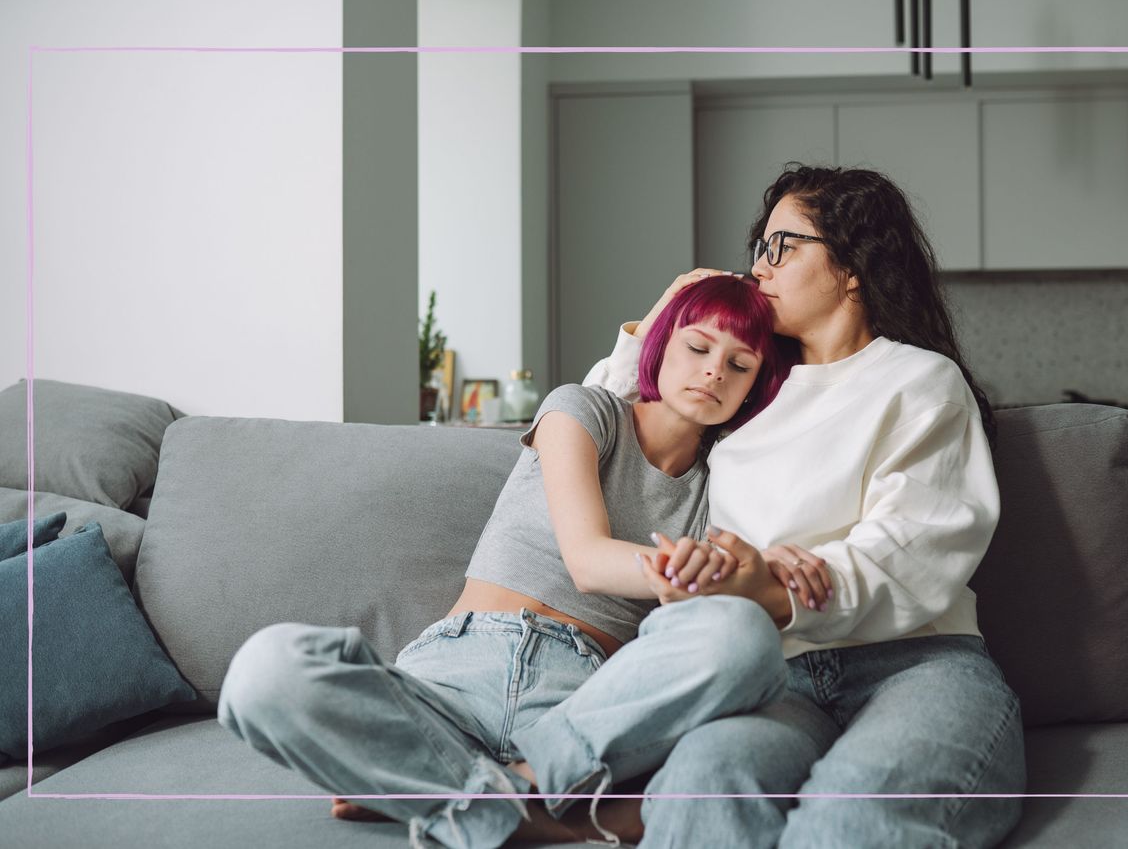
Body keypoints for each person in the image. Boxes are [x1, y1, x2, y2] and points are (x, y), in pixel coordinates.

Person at [216, 276, 797, 849]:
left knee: (744, 636)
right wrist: (688, 571)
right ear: (661, 345)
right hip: (450, 680)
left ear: (753, 387)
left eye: (739, 364)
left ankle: (450, 791)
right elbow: (588, 561)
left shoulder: (720, 491)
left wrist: (756, 571)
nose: (714, 370)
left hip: (582, 707)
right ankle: (552, 817)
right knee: (264, 672)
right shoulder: (582, 410)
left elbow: (709, 616)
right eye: (698, 347)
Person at [584, 164, 1027, 848]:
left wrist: (776, 583)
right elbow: (611, 429)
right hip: (773, 676)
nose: (759, 266)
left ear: (852, 267)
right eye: (759, 246)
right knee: (698, 788)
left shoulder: (920, 381)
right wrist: (665, 316)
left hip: (917, 661)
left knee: (849, 819)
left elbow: (914, 545)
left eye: (781, 245)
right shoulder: (744, 388)